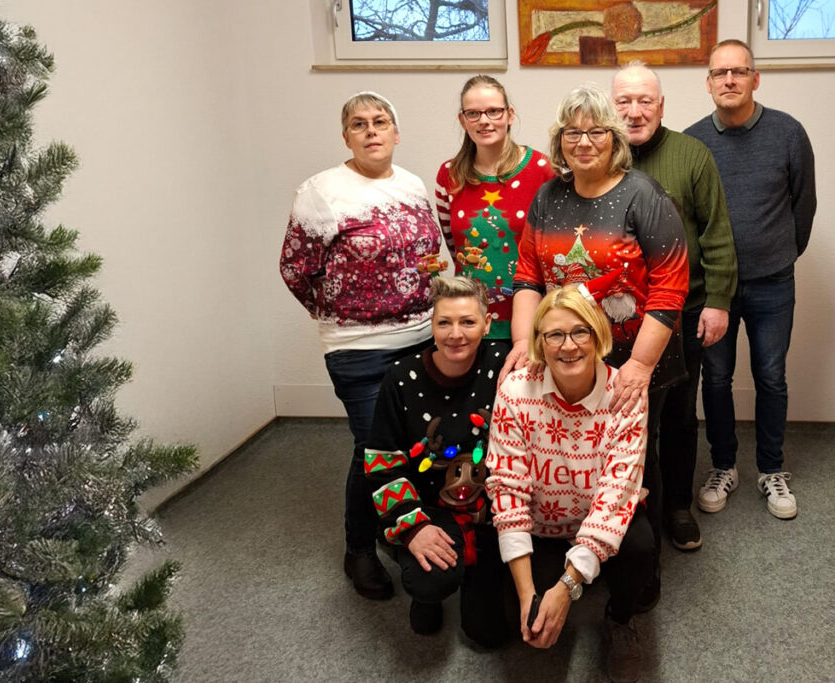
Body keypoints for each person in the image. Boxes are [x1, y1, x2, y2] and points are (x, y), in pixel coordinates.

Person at [505, 84, 688, 608]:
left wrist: (638, 366)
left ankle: (633, 590)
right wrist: (524, 342)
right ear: (559, 140)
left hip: (633, 359)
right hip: (564, 357)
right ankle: (577, 556)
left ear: (614, 139)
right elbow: (527, 274)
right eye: (572, 132)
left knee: (631, 474)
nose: (583, 142)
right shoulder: (548, 195)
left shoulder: (642, 195)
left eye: (595, 132)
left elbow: (671, 283)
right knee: (567, 462)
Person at [279, 91, 442, 600]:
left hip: (420, 336)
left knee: (414, 441)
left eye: (380, 121)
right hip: (357, 346)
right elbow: (295, 269)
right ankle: (360, 549)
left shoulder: (413, 185)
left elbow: (431, 255)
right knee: (373, 447)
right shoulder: (322, 192)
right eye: (358, 124)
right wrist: (338, 311)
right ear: (346, 136)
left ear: (396, 132)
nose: (371, 131)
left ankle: (401, 526)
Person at [487, 286, 652, 683]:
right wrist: (528, 593)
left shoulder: (626, 395)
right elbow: (508, 490)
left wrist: (566, 587)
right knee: (492, 628)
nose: (568, 345)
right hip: (540, 526)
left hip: (598, 523)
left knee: (642, 551)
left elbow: (615, 499)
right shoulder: (515, 390)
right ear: (540, 343)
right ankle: (557, 580)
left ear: (598, 336)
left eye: (580, 332)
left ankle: (618, 617)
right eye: (554, 335)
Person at [685, 40, 816, 520]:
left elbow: (803, 206)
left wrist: (778, 254)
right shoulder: (693, 141)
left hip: (772, 284)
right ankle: (723, 465)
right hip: (714, 289)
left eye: (739, 72)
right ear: (709, 83)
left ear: (755, 79)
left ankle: (771, 469)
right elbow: (687, 217)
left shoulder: (788, 133)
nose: (729, 81)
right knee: (716, 377)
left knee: (771, 376)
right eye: (720, 73)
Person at [611, 62, 738, 551]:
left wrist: (719, 302)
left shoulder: (692, 155)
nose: (635, 111)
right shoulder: (597, 154)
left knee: (679, 416)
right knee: (621, 414)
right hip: (617, 315)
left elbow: (718, 233)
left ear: (662, 106)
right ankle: (626, 508)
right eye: (624, 101)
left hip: (683, 312)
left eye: (646, 101)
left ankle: (678, 506)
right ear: (611, 105)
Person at [364, 276, 509, 646]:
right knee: (429, 582)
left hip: (492, 509)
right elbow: (382, 463)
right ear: (431, 325)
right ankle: (425, 589)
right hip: (429, 507)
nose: (455, 334)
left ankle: (478, 573)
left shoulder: (504, 361)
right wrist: (413, 527)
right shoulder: (400, 379)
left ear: (488, 324)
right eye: (444, 322)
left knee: (489, 635)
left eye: (468, 322)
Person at [434, 75, 555, 340]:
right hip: (468, 323)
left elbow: (552, 249)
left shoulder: (542, 170)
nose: (484, 121)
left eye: (493, 111)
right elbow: (456, 248)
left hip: (532, 320)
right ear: (462, 120)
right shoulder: (448, 175)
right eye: (474, 113)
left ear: (510, 115)